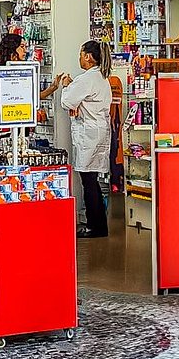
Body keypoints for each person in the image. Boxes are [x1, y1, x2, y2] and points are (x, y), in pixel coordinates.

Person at [55, 40, 114, 239]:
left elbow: (67, 101)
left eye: (81, 55)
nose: (79, 58)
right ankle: (99, 224)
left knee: (88, 181)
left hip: (89, 135)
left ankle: (94, 227)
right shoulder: (100, 77)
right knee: (92, 179)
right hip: (98, 132)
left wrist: (66, 86)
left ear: (88, 56)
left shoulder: (87, 78)